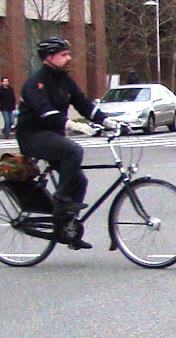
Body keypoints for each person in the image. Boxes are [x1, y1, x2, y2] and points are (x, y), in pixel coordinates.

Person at [15, 37, 117, 249]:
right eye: (63, 55)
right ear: (49, 58)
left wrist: (105, 120)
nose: (68, 58)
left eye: (68, 54)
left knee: (80, 181)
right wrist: (74, 125)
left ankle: (67, 229)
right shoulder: (36, 82)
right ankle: (61, 198)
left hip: (52, 137)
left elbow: (82, 103)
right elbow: (46, 112)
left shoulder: (64, 79)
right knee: (73, 150)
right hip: (33, 136)